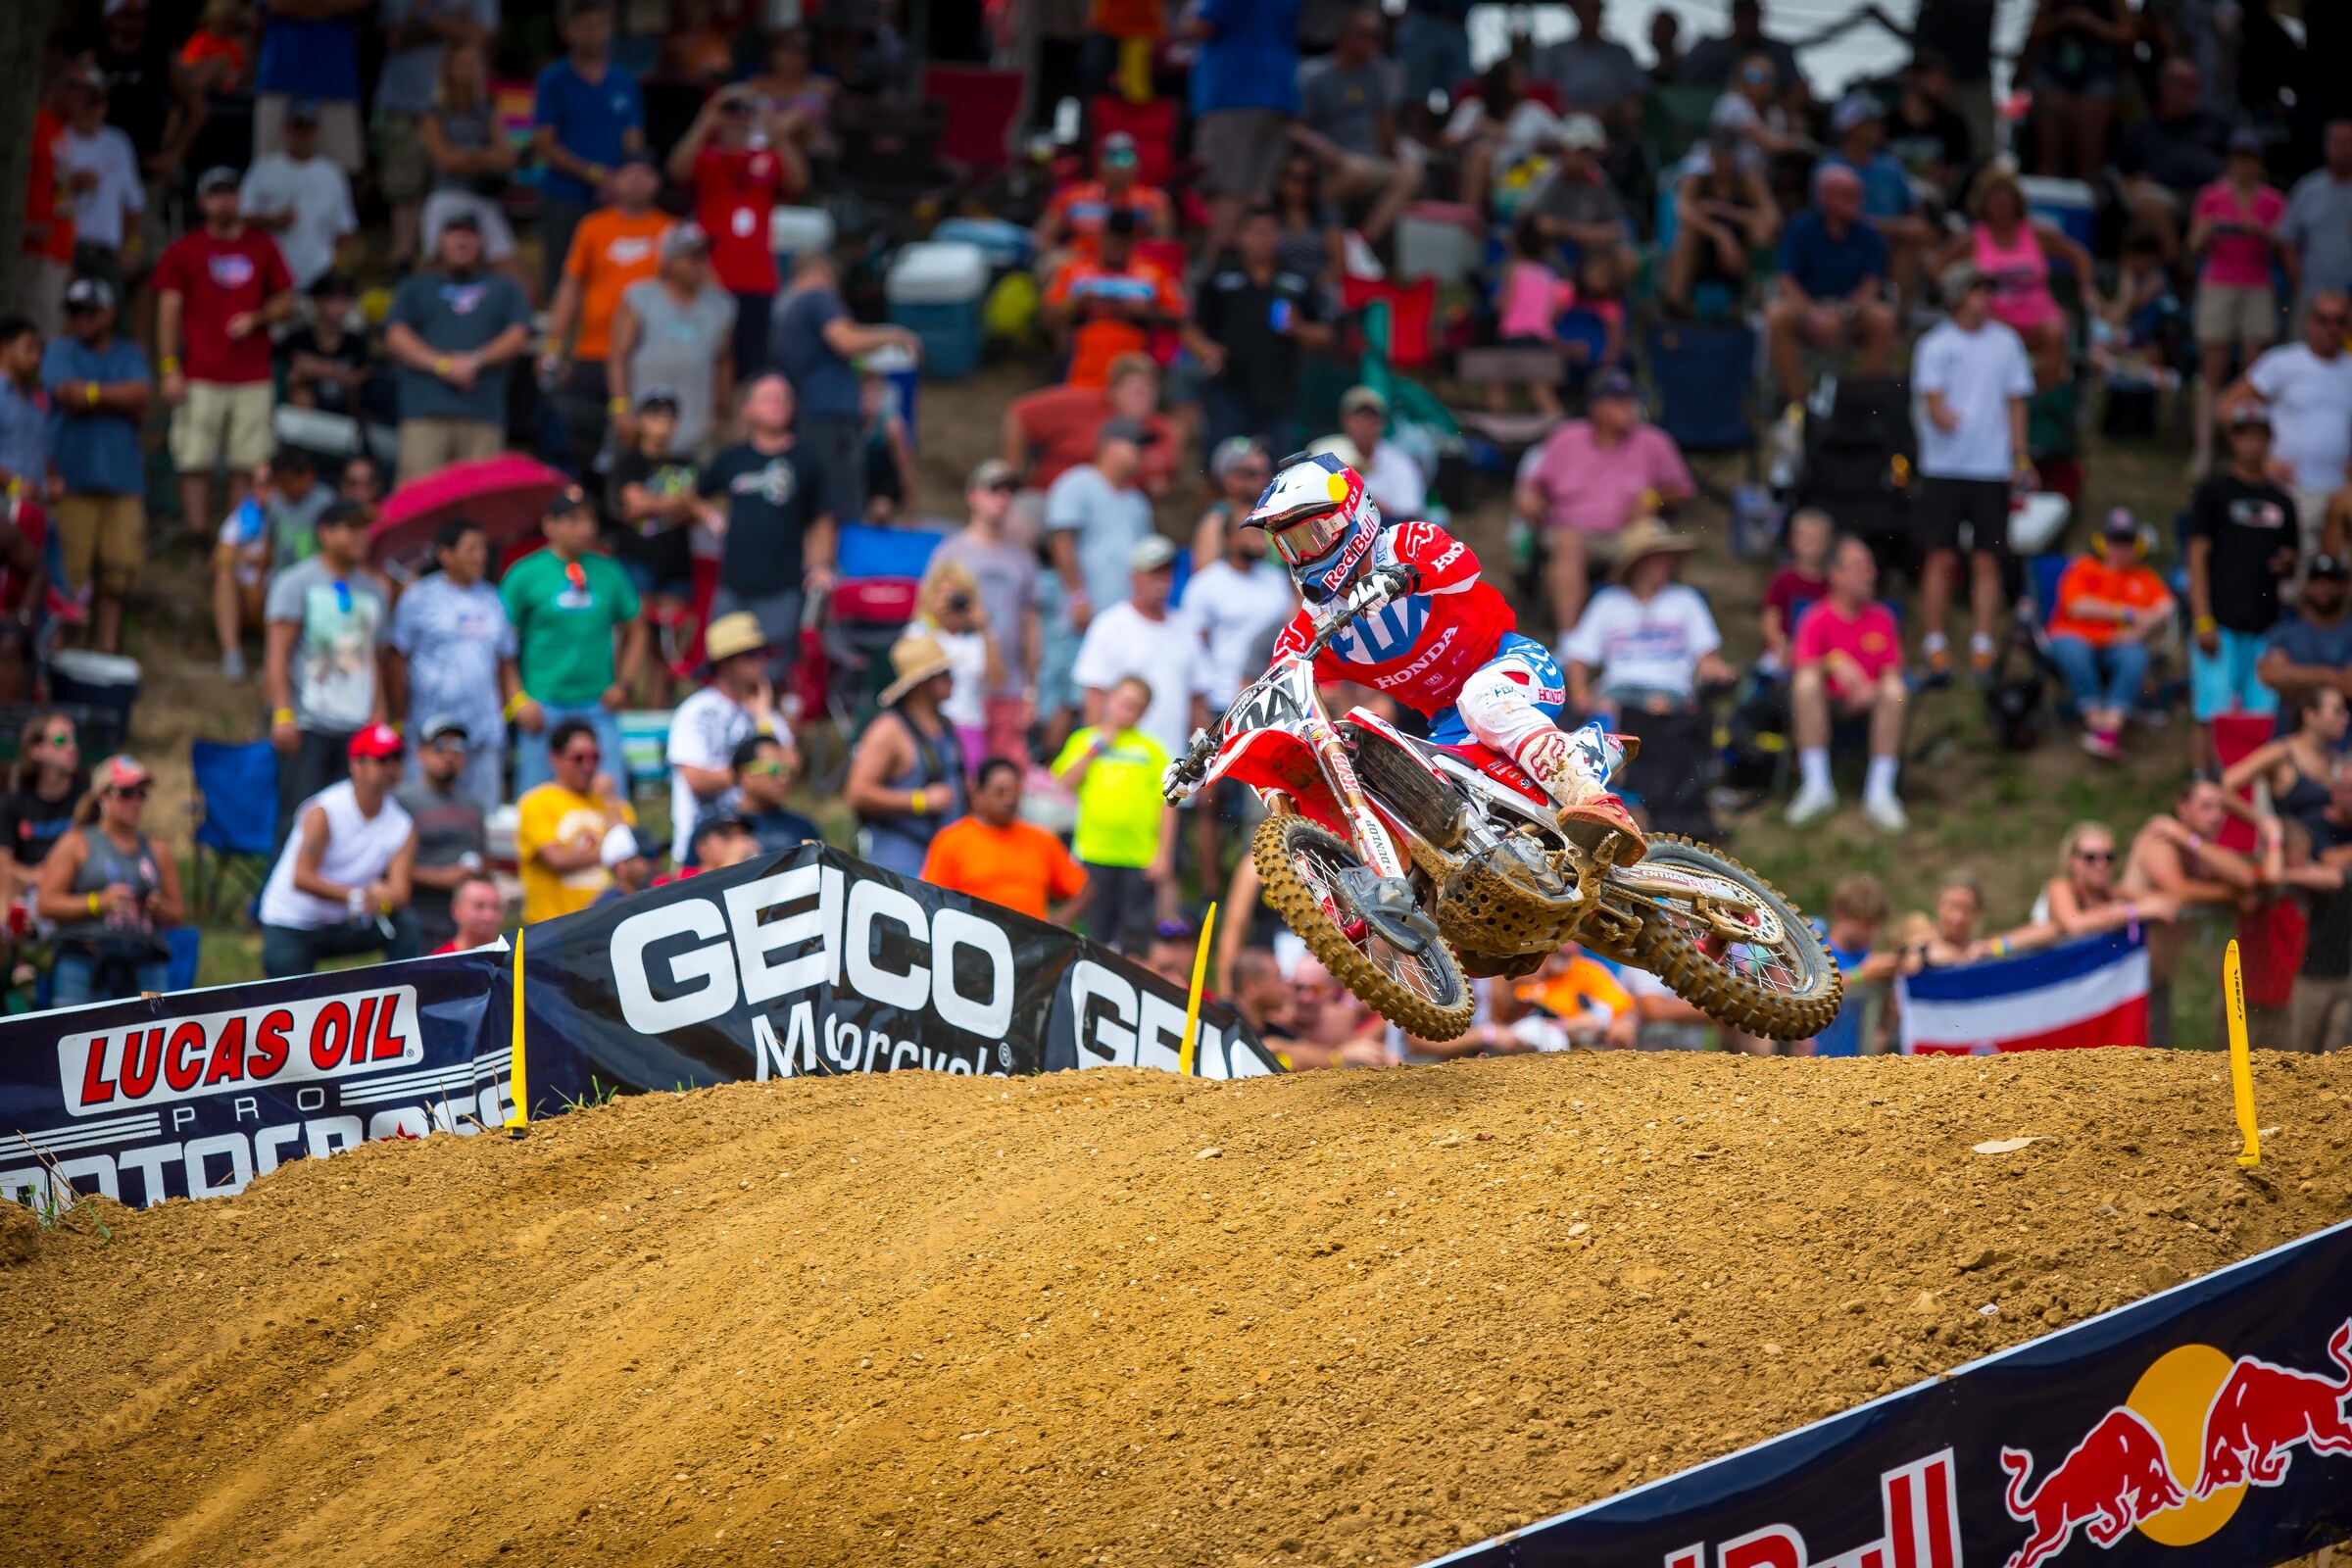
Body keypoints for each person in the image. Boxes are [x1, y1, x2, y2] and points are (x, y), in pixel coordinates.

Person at [1188, 450, 1646, 864]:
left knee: (1482, 698)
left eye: (1312, 535)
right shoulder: (1310, 623)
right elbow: (1272, 689)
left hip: (1514, 667)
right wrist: (1205, 751)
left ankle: (1598, 800)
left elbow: (1462, 563)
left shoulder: (1404, 542)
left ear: (1350, 516)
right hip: (1450, 725)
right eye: (1290, 544)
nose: (1303, 554)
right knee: (1421, 803)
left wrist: (1402, 579)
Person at [154, 166, 296, 546]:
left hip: (252, 373)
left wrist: (259, 316)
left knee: (247, 465)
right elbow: (168, 311)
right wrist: (169, 367)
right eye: (215, 194)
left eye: (229, 193)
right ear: (202, 203)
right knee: (194, 460)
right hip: (200, 371)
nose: (223, 201)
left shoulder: (262, 246)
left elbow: (287, 300)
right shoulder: (184, 251)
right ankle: (198, 538)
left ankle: (237, 538)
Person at [1912, 267, 2034, 682]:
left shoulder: (2007, 343)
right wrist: (1942, 416)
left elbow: (2016, 402)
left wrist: (2019, 458)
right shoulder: (1934, 345)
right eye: (1977, 289)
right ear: (1957, 295)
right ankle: (1935, 644)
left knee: (1988, 558)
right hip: (1943, 468)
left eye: (1988, 288)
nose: (1985, 296)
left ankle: (1982, 644)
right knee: (1940, 556)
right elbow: (1931, 399)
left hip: (1990, 469)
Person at [1515, 368, 1696, 634]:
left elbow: (1683, 490)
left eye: (1630, 400)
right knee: (1568, 543)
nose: (1629, 408)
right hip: (1573, 533)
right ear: (1596, 407)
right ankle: (1571, 641)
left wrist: (1653, 497)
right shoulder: (1567, 437)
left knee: (1651, 542)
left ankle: (1650, 635)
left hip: (1630, 532)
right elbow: (1534, 487)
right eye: (1619, 401)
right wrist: (1529, 499)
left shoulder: (1654, 441)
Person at [503, 487, 646, 799]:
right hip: (543, 704)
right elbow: (502, 643)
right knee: (537, 800)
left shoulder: (609, 570)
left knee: (611, 798)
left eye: (589, 520)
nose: (585, 528)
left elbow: (638, 629)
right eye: (573, 520)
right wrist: (517, 700)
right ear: (549, 525)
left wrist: (625, 684)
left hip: (598, 704)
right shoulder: (524, 573)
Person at [539, 150, 672, 481]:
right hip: (592, 353)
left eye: (646, 173)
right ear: (613, 180)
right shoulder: (594, 227)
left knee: (638, 444)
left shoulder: (670, 231)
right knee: (575, 437)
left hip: (644, 360)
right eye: (629, 173)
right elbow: (570, 289)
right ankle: (578, 512)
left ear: (657, 183)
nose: (637, 180)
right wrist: (554, 346)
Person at [264, 499, 388, 842]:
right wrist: (283, 714)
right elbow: (277, 654)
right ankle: (278, 894)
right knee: (298, 821)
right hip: (308, 723)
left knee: (348, 825)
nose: (361, 537)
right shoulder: (296, 582)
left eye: (365, 529)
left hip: (356, 726)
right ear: (325, 533)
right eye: (351, 529)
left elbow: (373, 659)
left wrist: (379, 717)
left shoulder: (375, 591)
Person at [256, 723, 420, 977]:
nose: (391, 767)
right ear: (356, 765)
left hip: (347, 921)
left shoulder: (402, 825)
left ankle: (406, 996)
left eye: (397, 758)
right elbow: (301, 878)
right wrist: (356, 896)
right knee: (290, 1003)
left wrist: (382, 899)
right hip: (293, 920)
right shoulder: (325, 811)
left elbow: (400, 893)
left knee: (406, 924)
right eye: (382, 759)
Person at [697, 372, 835, 675]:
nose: (779, 404)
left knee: (772, 670)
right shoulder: (732, 458)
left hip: (782, 585)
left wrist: (821, 565)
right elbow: (693, 494)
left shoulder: (807, 459)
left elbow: (822, 520)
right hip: (733, 583)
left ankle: (767, 721)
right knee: (721, 664)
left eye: (785, 397)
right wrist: (709, 515)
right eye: (769, 398)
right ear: (747, 409)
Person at [770, 250, 921, 525]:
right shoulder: (817, 297)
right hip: (829, 417)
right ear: (822, 274)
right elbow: (845, 340)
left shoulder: (784, 309)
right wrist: (896, 335)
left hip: (808, 415)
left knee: (817, 497)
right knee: (838, 501)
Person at [2125, 773, 2275, 1048]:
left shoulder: (2194, 846)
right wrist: (2231, 895)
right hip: (2127, 979)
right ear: (2182, 808)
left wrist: (2188, 839)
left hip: (2155, 976)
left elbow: (2247, 878)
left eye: (2221, 807)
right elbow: (2179, 891)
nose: (2217, 815)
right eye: (2206, 806)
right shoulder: (2160, 839)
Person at [40, 278, 149, 655]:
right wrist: (115, 397)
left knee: (117, 579)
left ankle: (104, 657)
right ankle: (59, 658)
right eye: (74, 312)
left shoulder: (130, 353)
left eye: (90, 311)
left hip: (123, 483)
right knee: (66, 579)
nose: (81, 319)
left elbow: (142, 394)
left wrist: (88, 394)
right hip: (72, 482)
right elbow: (64, 393)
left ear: (110, 313)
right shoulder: (58, 350)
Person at [667, 82, 806, 379]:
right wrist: (707, 118)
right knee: (708, 359)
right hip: (711, 279)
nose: (738, 118)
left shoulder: (766, 159)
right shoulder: (705, 158)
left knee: (753, 365)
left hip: (757, 279)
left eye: (745, 111)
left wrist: (773, 128)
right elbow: (677, 169)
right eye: (731, 111)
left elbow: (798, 181)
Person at [382, 214, 532, 480]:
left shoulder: (504, 288)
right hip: (425, 413)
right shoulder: (416, 286)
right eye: (454, 232)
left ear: (482, 242)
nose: (462, 240)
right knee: (418, 499)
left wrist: (474, 361)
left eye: (470, 233)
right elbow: (395, 334)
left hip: (483, 414)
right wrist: (443, 365)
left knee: (480, 503)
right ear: (439, 241)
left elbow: (519, 335)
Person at [384, 514, 517, 812]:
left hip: (482, 730)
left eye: (483, 548)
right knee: (423, 815)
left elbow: (505, 660)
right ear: (445, 554)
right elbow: (396, 659)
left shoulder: (493, 599)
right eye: (471, 549)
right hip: (431, 729)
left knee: (482, 816)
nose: (481, 556)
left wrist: (515, 703)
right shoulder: (418, 597)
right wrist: (400, 716)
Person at [1182, 204, 1332, 458]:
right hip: (1229, 392)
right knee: (1223, 468)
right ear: (1240, 236)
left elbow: (1327, 335)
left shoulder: (1297, 281)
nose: (1262, 239)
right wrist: (1206, 350)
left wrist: (1299, 328)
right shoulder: (1221, 278)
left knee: (1279, 473)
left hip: (1281, 395)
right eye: (1255, 232)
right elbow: (1191, 328)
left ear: (1279, 238)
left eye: (1269, 232)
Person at [2186, 407, 2299, 744]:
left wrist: (2286, 565)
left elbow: (2291, 561)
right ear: (2232, 439)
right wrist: (2202, 620)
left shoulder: (2282, 501)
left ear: (2269, 439)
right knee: (2211, 712)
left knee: (2261, 716)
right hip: (2219, 620)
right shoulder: (2214, 492)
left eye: (2258, 434)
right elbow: (2196, 560)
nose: (2251, 443)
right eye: (2243, 434)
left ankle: (2253, 793)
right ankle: (2202, 784)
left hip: (2265, 623)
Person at [1932, 166, 2097, 390]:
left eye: (2005, 197)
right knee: (1992, 332)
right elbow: (1937, 265)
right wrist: (1958, 296)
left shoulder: (2038, 234)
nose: (2000, 204)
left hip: (2038, 310)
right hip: (1994, 312)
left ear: (2016, 201)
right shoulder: (1972, 239)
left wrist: (2085, 286)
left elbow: (2079, 255)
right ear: (1983, 203)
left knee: (2055, 333)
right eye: (1993, 198)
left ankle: (2044, 403)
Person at [36, 755, 182, 1005]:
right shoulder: (76, 843)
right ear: (103, 797)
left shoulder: (158, 849)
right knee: (78, 1039)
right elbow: (46, 903)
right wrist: (97, 903)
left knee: (150, 1039)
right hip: (85, 961)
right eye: (126, 793)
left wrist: (160, 908)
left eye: (142, 794)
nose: (136, 801)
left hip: (144, 963)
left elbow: (178, 912)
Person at [1786, 534, 1909, 831]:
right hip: (1828, 701)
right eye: (1859, 566)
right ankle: (1817, 787)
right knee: (1805, 683)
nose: (1871, 573)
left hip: (1871, 701)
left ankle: (1880, 791)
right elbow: (1801, 663)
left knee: (1896, 691)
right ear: (1836, 575)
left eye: (1870, 565)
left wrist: (1873, 690)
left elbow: (1893, 672)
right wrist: (1834, 661)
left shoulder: (1883, 618)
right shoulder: (1817, 617)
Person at [2227, 290, 2352, 575]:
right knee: (2291, 571)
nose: (2332, 328)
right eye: (2323, 320)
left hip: (2339, 492)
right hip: (2292, 487)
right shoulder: (2283, 363)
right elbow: (2228, 407)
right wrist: (2260, 461)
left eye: (2340, 320)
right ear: (2309, 322)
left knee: (2337, 575)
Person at [2189, 131, 2290, 475]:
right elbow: (2193, 246)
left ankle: (2248, 445)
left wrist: (2260, 231)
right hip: (2218, 283)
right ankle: (2204, 449)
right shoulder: (2211, 196)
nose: (2243, 165)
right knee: (2212, 371)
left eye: (2249, 158)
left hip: (2256, 286)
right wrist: (2207, 230)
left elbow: (2284, 246)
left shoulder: (2273, 202)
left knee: (2254, 375)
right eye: (2238, 157)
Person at [530, 0, 647, 300]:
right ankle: (560, 345)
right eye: (584, 27)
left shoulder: (624, 80)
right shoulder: (553, 80)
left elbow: (633, 139)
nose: (592, 34)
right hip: (565, 196)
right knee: (562, 278)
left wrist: (625, 180)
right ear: (568, 32)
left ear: (609, 29)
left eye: (598, 26)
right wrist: (595, 174)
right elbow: (544, 142)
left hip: (614, 197)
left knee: (612, 277)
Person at [1560, 519, 1733, 721]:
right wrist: (1580, 692)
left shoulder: (1686, 600)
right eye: (1656, 558)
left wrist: (1717, 673)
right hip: (1618, 686)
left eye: (1666, 557)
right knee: (1607, 708)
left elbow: (1706, 656)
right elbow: (1579, 656)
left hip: (1670, 688)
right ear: (1638, 563)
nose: (1664, 564)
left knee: (1656, 707)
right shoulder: (1608, 602)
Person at [929, 459, 1043, 765]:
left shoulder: (1023, 559)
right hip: (962, 688)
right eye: (994, 489)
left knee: (1008, 773)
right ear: (972, 496)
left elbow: (1031, 627)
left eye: (1008, 491)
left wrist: (1031, 691)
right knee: (963, 770)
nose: (1002, 498)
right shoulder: (949, 553)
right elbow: (928, 615)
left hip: (1009, 688)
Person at [1053, 674, 1173, 954]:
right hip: (1093, 852)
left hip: (1138, 856)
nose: (1128, 711)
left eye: (1136, 707)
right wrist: (1095, 749)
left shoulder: (1152, 750)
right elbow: (1063, 782)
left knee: (1134, 935)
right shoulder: (1084, 739)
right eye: (1124, 702)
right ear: (1109, 699)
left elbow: (1167, 803)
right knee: (1092, 932)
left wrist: (1163, 853)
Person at [374, 0, 498, 267]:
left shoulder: (484, 112)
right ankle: (405, 259)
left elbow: (479, 35)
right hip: (404, 99)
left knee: (445, 187)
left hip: (456, 102)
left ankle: (449, 259)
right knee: (405, 187)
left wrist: (426, 18)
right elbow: (394, 37)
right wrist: (454, 25)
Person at [1072, 537, 1209, 767]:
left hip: (1173, 765)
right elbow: (1094, 700)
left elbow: (1197, 701)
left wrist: (1202, 760)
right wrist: (1095, 759)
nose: (1162, 583)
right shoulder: (1109, 625)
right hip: (1121, 764)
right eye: (1154, 574)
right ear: (1134, 577)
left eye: (1166, 574)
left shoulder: (1186, 629)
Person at [1766, 165, 1895, 408]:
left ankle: (1862, 404)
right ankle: (1798, 403)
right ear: (1826, 197)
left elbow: (1872, 284)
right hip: (1808, 308)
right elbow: (1786, 280)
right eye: (1850, 195)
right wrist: (1813, 314)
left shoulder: (1869, 234)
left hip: (1850, 312)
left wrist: (1844, 313)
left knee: (1882, 318)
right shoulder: (1800, 227)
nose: (1859, 201)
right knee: (1777, 315)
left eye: (1859, 194)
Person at [664, 611, 786, 864]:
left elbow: (790, 766)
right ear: (725, 662)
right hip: (701, 849)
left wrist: (764, 718)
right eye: (751, 655)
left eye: (763, 654)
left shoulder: (763, 711)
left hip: (752, 846)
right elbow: (695, 779)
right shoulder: (696, 711)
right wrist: (754, 774)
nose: (762, 662)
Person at [608, 223, 735, 462]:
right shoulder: (638, 298)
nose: (700, 263)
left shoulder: (720, 306)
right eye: (692, 256)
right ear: (669, 260)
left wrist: (721, 412)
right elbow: (618, 357)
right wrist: (620, 408)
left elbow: (723, 361)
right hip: (643, 429)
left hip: (696, 430)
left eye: (703, 255)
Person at [1292, 9, 1420, 245]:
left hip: (1368, 161)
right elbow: (1295, 128)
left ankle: (1360, 244)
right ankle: (1312, 231)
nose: (1372, 43)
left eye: (1376, 36)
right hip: (1329, 161)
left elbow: (1386, 123)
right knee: (1355, 170)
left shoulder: (1378, 74)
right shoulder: (1313, 75)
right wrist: (1325, 149)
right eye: (1365, 35)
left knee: (1410, 173)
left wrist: (1396, 157)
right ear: (1345, 37)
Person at [1187, 0, 1300, 262]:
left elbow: (1200, 27)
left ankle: (1211, 275)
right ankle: (1245, 276)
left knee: (1228, 190)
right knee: (1259, 191)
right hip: (1279, 92)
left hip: (1234, 93)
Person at [845, 633, 966, 877]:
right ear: (922, 682)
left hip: (944, 861)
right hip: (901, 861)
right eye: (944, 673)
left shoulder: (946, 725)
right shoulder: (888, 731)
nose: (952, 679)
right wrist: (919, 801)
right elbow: (856, 792)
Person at [921, 757, 1087, 921]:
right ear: (978, 794)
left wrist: (1059, 925)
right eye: (1000, 792)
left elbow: (1082, 888)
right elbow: (929, 899)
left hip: (1032, 942)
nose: (1009, 799)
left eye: (1014, 791)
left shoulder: (1041, 839)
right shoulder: (952, 841)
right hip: (974, 941)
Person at [215, 446, 331, 679]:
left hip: (314, 585)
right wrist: (260, 579)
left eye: (289, 483)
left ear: (307, 476)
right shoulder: (276, 503)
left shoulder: (325, 503)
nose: (285, 490)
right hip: (279, 580)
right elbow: (270, 544)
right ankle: (267, 665)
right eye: (280, 484)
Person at [1041, 210, 1187, 393]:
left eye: (1122, 242)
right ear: (1101, 237)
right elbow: (1047, 316)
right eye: (1111, 239)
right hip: (1080, 360)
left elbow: (1180, 316)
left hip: (1134, 362)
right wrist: (1077, 304)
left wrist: (1142, 312)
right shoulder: (1075, 271)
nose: (1115, 247)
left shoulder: (1153, 274)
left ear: (1132, 241)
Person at [1003, 354, 1178, 497]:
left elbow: (1162, 480)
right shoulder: (1081, 403)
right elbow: (1020, 413)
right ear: (1113, 391)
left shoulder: (1159, 429)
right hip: (1048, 495)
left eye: (1149, 389)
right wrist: (1014, 475)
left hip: (1111, 508)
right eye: (1135, 390)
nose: (1142, 397)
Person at [514, 716, 637, 922]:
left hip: (606, 923)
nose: (588, 767)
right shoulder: (536, 802)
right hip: (553, 927)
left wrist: (609, 801)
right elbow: (557, 859)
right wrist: (612, 851)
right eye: (579, 758)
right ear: (554, 758)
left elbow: (631, 863)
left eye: (594, 758)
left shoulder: (616, 805)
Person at [1823, 92, 1936, 309]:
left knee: (1910, 250)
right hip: (1843, 245)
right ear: (1850, 127)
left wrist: (1873, 225)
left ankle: (1898, 323)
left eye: (1878, 122)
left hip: (1886, 245)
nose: (1878, 127)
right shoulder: (1828, 167)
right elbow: (1829, 219)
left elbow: (1917, 221)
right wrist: (1878, 227)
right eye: (1869, 122)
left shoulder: (1891, 167)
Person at [418, 40, 521, 274]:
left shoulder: (487, 110)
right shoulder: (434, 112)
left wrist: (466, 156)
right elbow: (444, 160)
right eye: (462, 64)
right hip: (447, 197)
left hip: (485, 200)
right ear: (448, 69)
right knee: (441, 277)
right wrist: (485, 156)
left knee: (523, 288)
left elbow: (508, 157)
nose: (469, 69)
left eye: (473, 63)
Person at [1046, 417, 1154, 637]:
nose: (1141, 452)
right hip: (1080, 621)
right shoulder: (1076, 483)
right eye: (1135, 445)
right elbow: (1061, 542)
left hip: (1123, 623)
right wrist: (1077, 596)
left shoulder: (1139, 502)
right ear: (1109, 446)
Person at [237, 96, 357, 291]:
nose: (301, 134)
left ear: (316, 131)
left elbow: (344, 230)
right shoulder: (263, 167)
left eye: (307, 128)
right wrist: (271, 220)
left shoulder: (332, 173)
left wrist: (337, 270)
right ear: (286, 129)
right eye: (296, 127)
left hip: (320, 277)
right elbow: (240, 216)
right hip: (272, 276)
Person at [2117, 56, 2229, 263]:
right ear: (2163, 87)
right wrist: (2134, 181)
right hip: (2165, 197)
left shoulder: (2215, 125)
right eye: (2181, 84)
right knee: (2143, 200)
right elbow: (2119, 177)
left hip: (2209, 197)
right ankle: (2178, 264)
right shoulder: (2142, 131)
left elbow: (2238, 164)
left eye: (2193, 86)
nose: (2189, 92)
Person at [393, 715, 489, 953]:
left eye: (458, 747)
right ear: (420, 754)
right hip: (420, 917)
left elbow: (485, 857)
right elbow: (387, 868)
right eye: (439, 747)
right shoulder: (402, 801)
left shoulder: (473, 805)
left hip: (465, 923)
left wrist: (475, 874)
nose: (449, 754)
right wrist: (442, 877)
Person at [1663, 127, 1780, 318]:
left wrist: (1724, 211)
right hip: (1704, 253)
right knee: (1686, 236)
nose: (1722, 159)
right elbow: (1683, 211)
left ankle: (1755, 300)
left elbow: (1772, 219)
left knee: (1761, 234)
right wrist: (1720, 235)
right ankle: (1675, 307)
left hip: (1741, 254)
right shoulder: (1696, 178)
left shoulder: (1748, 180)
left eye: (1727, 154)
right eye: (1718, 153)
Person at [60, 62, 145, 302]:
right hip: (66, 250)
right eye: (86, 101)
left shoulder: (117, 143)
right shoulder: (60, 136)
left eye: (97, 101)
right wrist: (72, 185)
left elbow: (134, 203)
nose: (91, 108)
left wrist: (133, 246)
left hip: (106, 254)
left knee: (111, 323)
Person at [1034, 131, 1176, 270]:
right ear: (1098, 162)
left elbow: (1161, 245)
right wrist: (1058, 253)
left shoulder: (1155, 201)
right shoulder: (1073, 196)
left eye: (1126, 159)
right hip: (1080, 261)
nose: (1119, 167)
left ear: (1138, 164)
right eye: (1112, 158)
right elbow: (1043, 235)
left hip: (1133, 264)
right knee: (1051, 264)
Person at [2023, 0, 2131, 178]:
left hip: (2097, 70)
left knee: (2089, 165)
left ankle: (2085, 201)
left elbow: (2128, 35)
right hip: (2055, 69)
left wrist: (2091, 23)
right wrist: (2061, 22)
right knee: (2049, 161)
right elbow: (2035, 31)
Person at [911, 560, 996, 766]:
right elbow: (910, 676)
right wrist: (933, 618)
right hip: (931, 727)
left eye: (956, 594)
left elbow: (997, 681)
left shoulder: (976, 639)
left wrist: (985, 630)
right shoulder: (920, 631)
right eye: (941, 593)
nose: (949, 600)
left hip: (970, 725)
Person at [0, 712, 86, 910]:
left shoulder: (88, 798)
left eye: (74, 739)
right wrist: (33, 875)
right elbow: (3, 862)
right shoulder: (13, 803)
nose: (71, 747)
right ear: (36, 750)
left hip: (73, 888)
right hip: (25, 888)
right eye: (60, 740)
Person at [1807, 874, 1899, 1056]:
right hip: (1812, 1062)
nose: (1873, 932)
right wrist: (1862, 975)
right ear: (1841, 914)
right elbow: (1814, 995)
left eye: (1876, 924)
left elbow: (1886, 1022)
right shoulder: (1815, 952)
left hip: (1856, 1066)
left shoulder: (1870, 959)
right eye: (1866, 924)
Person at [2039, 819, 2177, 938]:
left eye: (2108, 857)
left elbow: (2168, 903)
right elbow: (2074, 923)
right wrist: (2131, 912)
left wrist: (2128, 912)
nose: (2101, 864)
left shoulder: (2112, 892)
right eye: (2090, 857)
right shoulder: (2060, 886)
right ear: (2073, 860)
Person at [2258, 551, 2352, 709]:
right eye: (2317, 581)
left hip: (2343, 731)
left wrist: (2293, 675)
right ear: (2306, 587)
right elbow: (2269, 674)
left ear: (2344, 587)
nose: (2323, 588)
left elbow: (2349, 685)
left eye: (2330, 581)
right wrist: (2329, 676)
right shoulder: (2286, 631)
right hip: (2292, 731)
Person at [1535, 0, 1646, 131]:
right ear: (1575, 12)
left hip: (1612, 127)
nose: (1590, 16)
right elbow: (1541, 93)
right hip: (1562, 126)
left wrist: (1608, 113)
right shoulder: (1556, 51)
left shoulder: (1620, 53)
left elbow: (1635, 96)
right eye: (1585, 9)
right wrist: (1571, 112)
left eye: (1595, 10)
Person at [2282, 122, 2352, 321]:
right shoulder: (2307, 189)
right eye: (2338, 143)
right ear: (2326, 146)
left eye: (2348, 143)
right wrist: (2297, 282)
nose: (2343, 149)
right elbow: (2288, 240)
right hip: (2313, 293)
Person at [281, 271, 374, 417]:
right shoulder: (295, 341)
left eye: (345, 300)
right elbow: (286, 378)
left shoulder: (357, 343)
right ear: (316, 302)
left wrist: (322, 369)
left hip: (348, 424)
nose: (340, 307)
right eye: (334, 299)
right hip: (304, 425)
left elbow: (364, 378)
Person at [1326, 385, 1426, 521]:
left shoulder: (1400, 462)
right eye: (1359, 417)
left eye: (1371, 417)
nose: (1365, 425)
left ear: (1381, 423)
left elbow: (1411, 515)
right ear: (1345, 420)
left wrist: (1366, 500)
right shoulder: (1328, 454)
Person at [1886, 50, 1974, 204]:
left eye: (1945, 78)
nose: (1942, 84)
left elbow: (1962, 172)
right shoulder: (1887, 122)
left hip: (1937, 205)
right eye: (1935, 77)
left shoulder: (1953, 125)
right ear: (1913, 79)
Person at [1678, 0, 1806, 96]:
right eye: (1745, 16)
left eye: (1753, 17)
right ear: (1735, 18)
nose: (1750, 23)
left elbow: (1799, 88)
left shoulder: (1777, 51)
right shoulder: (1709, 50)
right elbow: (1684, 88)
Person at [1759, 506, 1832, 672]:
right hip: (1784, 650)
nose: (1811, 545)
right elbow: (1770, 618)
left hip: (1819, 653)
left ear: (1827, 543)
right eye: (1806, 539)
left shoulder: (1832, 584)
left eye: (1817, 539)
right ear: (1793, 541)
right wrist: (1781, 643)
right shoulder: (1783, 580)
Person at [732, 733, 819, 854]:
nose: (784, 779)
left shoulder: (802, 828)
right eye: (774, 770)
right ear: (745, 776)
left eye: (786, 769)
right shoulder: (718, 833)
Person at [436, 875, 506, 954]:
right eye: (479, 906)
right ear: (456, 911)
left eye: (496, 907)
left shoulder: (514, 959)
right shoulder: (438, 963)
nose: (489, 916)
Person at [592, 824, 654, 905]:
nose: (654, 862)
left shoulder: (646, 893)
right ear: (621, 867)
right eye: (647, 855)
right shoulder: (606, 909)